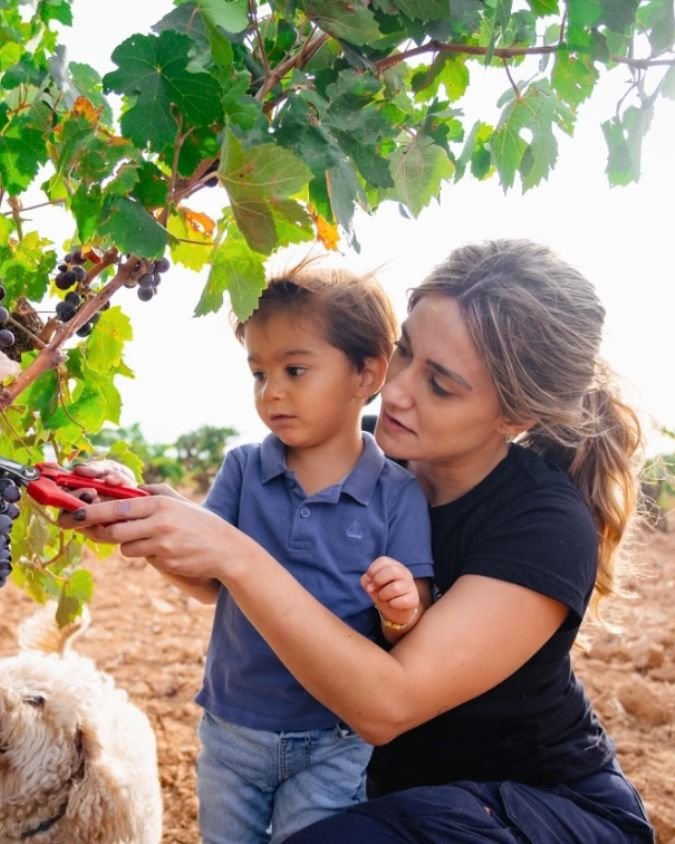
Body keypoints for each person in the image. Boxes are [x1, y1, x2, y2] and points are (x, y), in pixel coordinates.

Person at [63, 239, 655, 843]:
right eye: (404, 353)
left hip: (532, 812)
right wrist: (145, 514)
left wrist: (234, 552)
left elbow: (384, 706)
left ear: (515, 418)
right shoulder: (355, 455)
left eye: (441, 385)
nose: (396, 391)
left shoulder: (542, 524)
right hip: (393, 798)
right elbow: (222, 576)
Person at [74, 263, 434, 844]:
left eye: (295, 369)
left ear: (367, 372)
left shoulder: (397, 493)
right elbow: (207, 574)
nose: (273, 392)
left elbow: (408, 624)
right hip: (234, 728)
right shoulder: (245, 468)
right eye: (259, 373)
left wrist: (399, 605)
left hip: (333, 739)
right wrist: (131, 506)